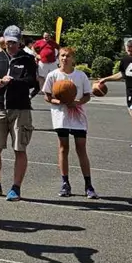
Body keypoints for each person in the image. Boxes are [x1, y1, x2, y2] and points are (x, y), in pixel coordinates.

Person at [0, 25, 41, 201]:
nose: (10, 46)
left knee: (19, 148)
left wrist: (12, 82)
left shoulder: (27, 59)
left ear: (19, 41)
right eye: (8, 42)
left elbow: (31, 82)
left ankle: (16, 187)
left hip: (20, 108)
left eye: (13, 42)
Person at [42, 47, 97, 198]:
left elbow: (87, 96)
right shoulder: (53, 75)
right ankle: (65, 183)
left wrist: (77, 102)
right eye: (62, 56)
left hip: (78, 116)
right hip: (61, 116)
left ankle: (88, 185)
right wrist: (57, 101)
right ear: (58, 58)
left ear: (73, 58)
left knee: (81, 148)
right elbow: (46, 95)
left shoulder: (80, 76)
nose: (65, 58)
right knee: (63, 147)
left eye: (68, 56)